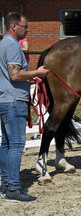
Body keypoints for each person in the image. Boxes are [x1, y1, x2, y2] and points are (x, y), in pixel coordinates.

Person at [0, 12, 49, 202]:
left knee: (6, 143)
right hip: (14, 101)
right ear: (13, 26)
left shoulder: (2, 44)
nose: (27, 29)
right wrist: (37, 72)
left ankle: (5, 183)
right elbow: (14, 74)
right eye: (25, 26)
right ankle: (13, 188)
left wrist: (30, 76)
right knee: (16, 145)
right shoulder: (12, 46)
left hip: (4, 99)